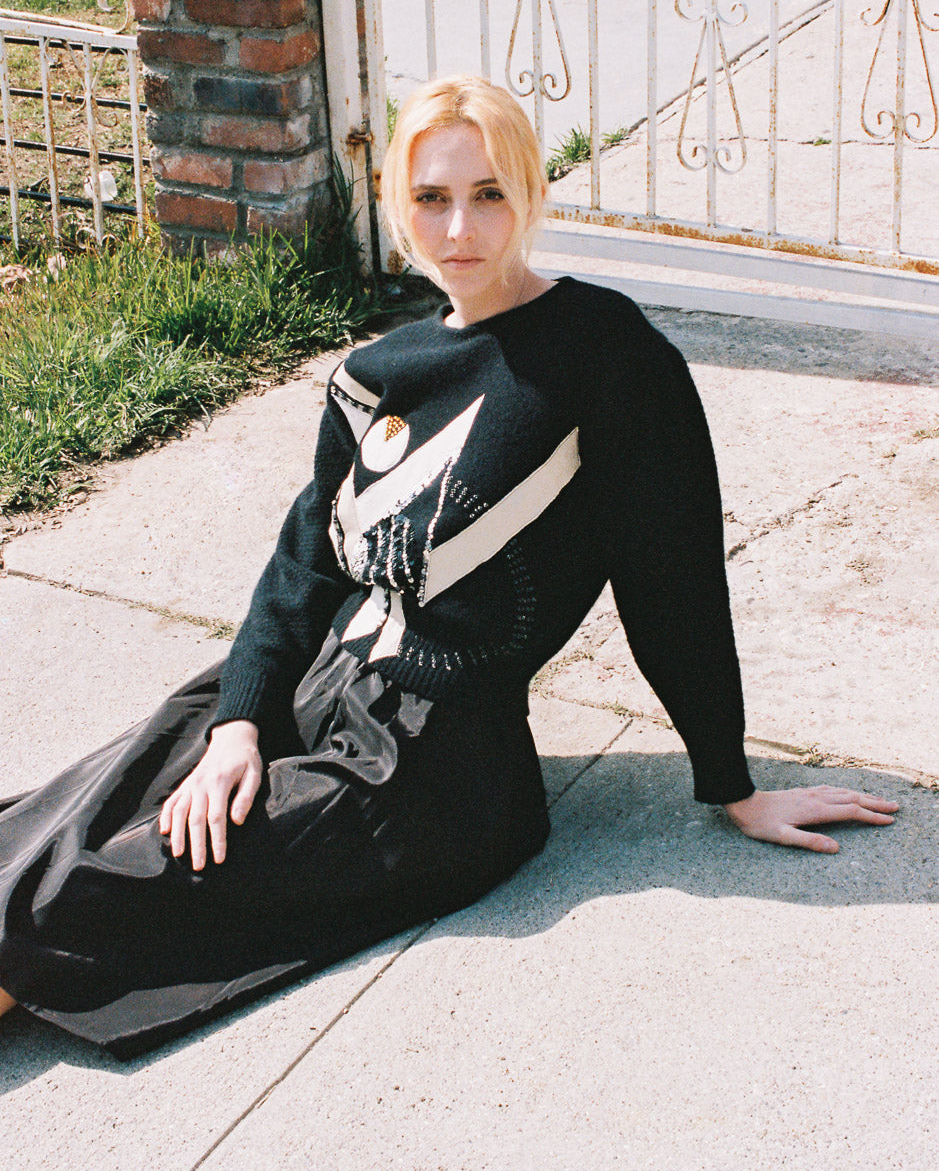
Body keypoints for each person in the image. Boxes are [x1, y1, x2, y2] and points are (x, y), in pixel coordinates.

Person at [0, 76, 897, 1057]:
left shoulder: (607, 354)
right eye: (431, 197)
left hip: (429, 773)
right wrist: (240, 724)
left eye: (489, 194)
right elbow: (304, 566)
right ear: (398, 204)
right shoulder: (376, 374)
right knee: (55, 820)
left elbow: (671, 579)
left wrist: (734, 784)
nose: (459, 227)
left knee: (101, 884)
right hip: (315, 682)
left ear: (533, 195)